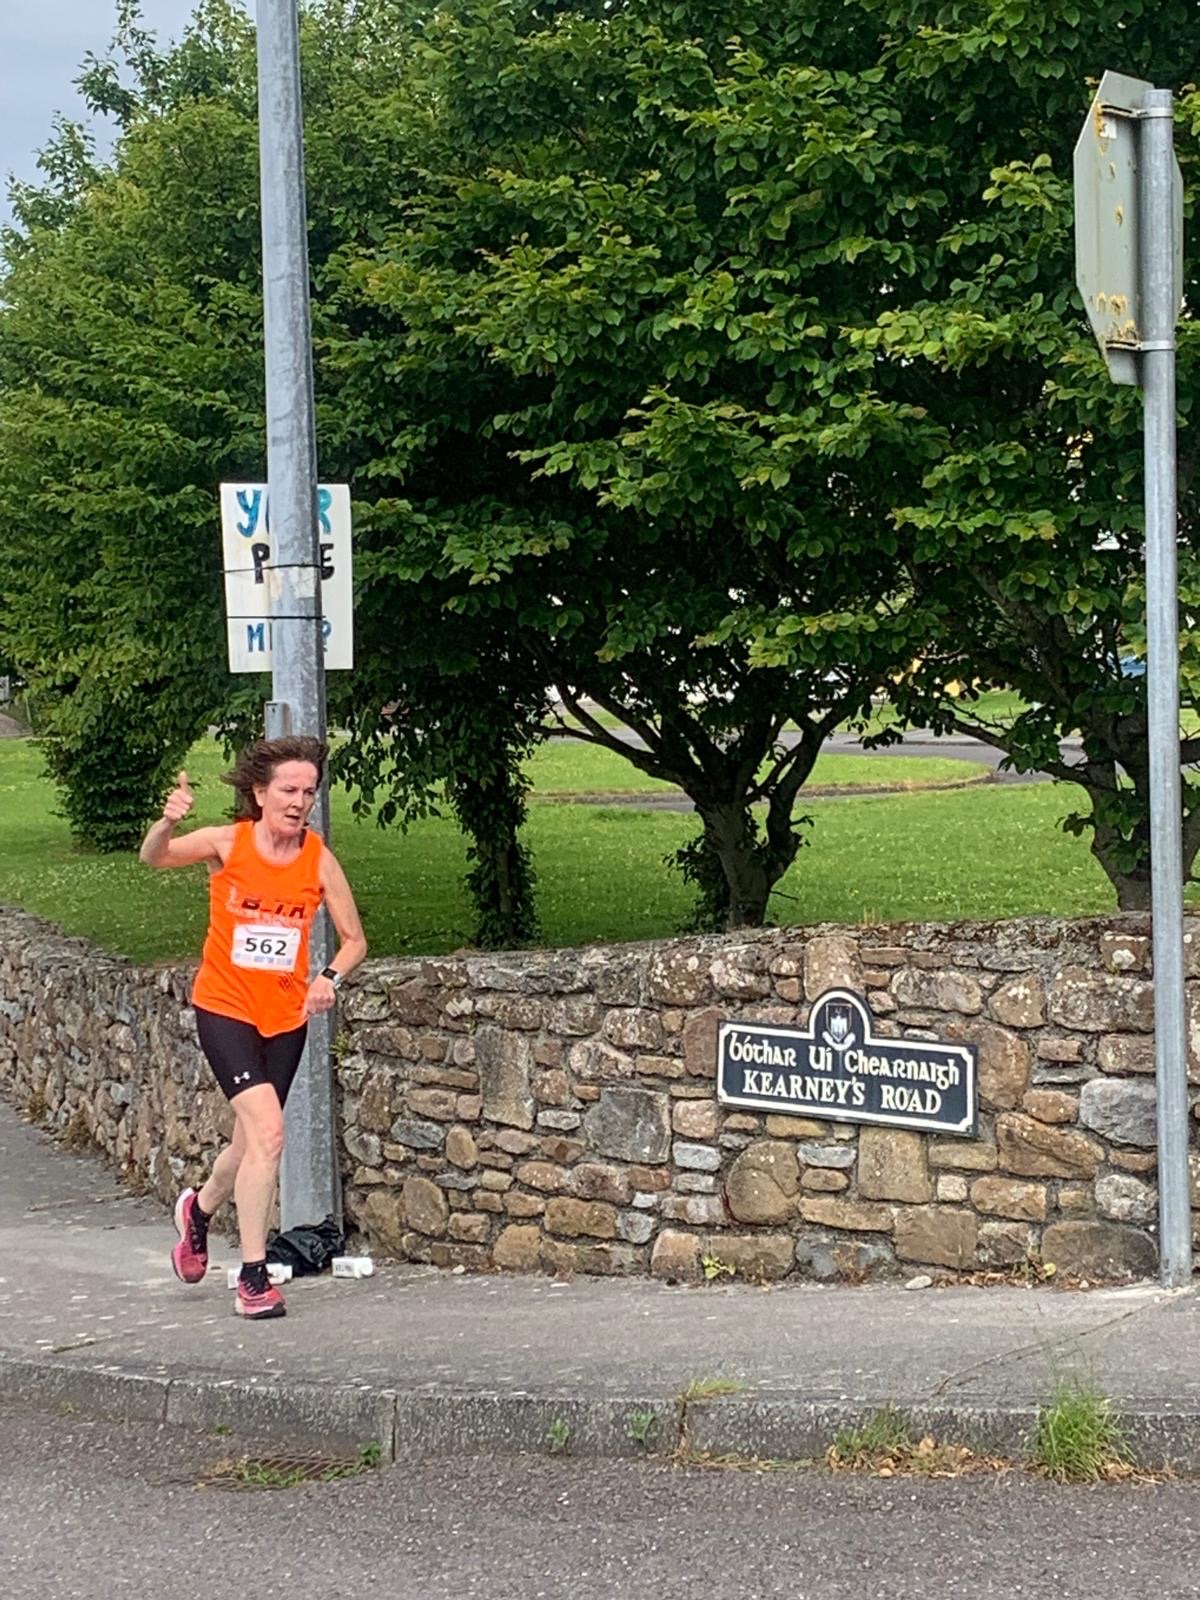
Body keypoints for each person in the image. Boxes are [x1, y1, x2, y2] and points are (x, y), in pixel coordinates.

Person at [139, 736, 367, 1320]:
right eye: (288, 790)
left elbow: (355, 941)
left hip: (286, 1019)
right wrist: (167, 823)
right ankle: (253, 1278)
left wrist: (329, 978)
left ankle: (198, 1210)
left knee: (249, 1144)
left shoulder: (318, 859)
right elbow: (154, 858)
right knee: (269, 1133)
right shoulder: (228, 843)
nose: (299, 802)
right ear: (260, 793)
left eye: (308, 792)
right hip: (225, 1008)